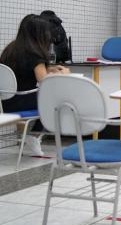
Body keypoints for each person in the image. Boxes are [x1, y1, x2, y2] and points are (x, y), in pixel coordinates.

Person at [0, 14, 70, 155]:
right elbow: (45, 82)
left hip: (7, 103)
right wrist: (63, 74)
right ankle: (34, 136)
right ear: (39, 34)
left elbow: (24, 72)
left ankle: (27, 136)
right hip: (25, 103)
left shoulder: (9, 50)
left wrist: (48, 69)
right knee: (58, 101)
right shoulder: (34, 54)